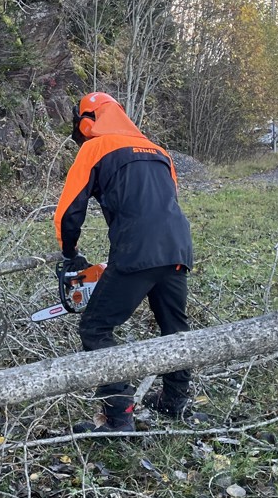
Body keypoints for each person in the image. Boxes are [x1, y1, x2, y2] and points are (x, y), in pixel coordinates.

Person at [54, 91, 194, 435]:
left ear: (88, 121)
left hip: (136, 250)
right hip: (178, 247)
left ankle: (119, 416)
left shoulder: (95, 148)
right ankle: (175, 401)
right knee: (174, 328)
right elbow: (166, 200)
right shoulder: (160, 152)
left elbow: (70, 209)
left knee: (95, 328)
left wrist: (70, 253)